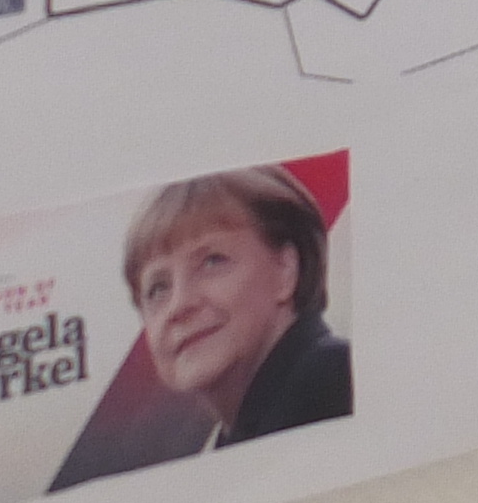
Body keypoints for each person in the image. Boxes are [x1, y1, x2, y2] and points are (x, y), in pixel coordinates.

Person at [122, 165, 350, 450]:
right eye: (158, 288)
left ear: (286, 270)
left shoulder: (334, 385)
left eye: (212, 261)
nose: (179, 305)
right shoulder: (250, 428)